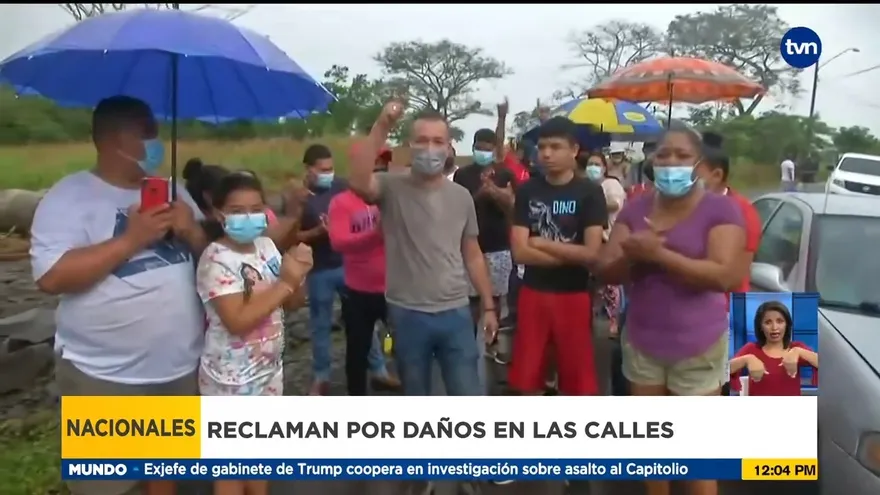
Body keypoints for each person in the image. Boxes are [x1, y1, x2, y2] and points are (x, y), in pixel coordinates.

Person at [29, 95, 207, 495]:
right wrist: (132, 240)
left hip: (177, 368)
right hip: (104, 376)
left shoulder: (173, 190)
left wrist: (193, 230)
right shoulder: (68, 197)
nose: (156, 139)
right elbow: (52, 277)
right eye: (146, 131)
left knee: (167, 470)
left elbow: (209, 261)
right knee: (108, 486)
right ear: (112, 139)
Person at [597, 124, 747, 495]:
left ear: (698, 163)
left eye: (681, 155)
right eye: (663, 154)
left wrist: (658, 254)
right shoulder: (635, 208)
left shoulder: (721, 209)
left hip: (699, 344)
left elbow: (724, 276)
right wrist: (632, 257)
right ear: (652, 161)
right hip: (644, 341)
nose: (671, 162)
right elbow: (605, 268)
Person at [349, 100, 498, 397]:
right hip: (407, 313)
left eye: (438, 141)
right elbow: (358, 180)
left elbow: (472, 253)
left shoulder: (461, 196)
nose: (430, 148)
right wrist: (382, 124)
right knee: (416, 392)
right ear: (410, 145)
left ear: (448, 147)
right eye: (422, 140)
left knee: (467, 391)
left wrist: (489, 305)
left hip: (456, 311)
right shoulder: (390, 187)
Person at [196, 172, 312, 495]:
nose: (248, 217)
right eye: (237, 210)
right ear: (219, 215)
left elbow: (292, 302)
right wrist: (286, 282)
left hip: (267, 374)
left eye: (255, 207)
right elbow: (237, 320)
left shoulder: (266, 247)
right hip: (230, 382)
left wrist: (298, 275)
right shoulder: (215, 259)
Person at [508, 116, 607, 398]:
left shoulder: (589, 191)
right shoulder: (528, 190)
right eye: (541, 147)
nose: (546, 154)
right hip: (533, 293)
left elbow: (592, 253)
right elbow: (519, 251)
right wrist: (571, 253)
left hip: (573, 295)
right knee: (527, 378)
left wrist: (541, 243)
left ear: (574, 149)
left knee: (577, 380)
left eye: (555, 146)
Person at [296, 144, 395, 395]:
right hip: (320, 269)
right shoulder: (298, 196)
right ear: (309, 170)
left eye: (331, 168)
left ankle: (379, 371)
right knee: (320, 325)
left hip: (350, 269)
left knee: (364, 327)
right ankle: (322, 377)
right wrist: (317, 233)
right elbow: (290, 235)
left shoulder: (343, 186)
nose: (329, 174)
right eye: (323, 170)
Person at [692, 132, 763, 396]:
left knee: (712, 386)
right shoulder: (681, 205)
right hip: (677, 312)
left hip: (719, 314)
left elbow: (734, 275)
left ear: (717, 175)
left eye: (694, 173)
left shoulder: (743, 213)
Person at [328, 149, 403, 396]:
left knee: (405, 349)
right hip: (358, 291)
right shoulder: (341, 202)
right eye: (374, 163)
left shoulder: (395, 197)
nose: (379, 168)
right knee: (357, 352)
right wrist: (374, 235)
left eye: (383, 164)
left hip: (395, 288)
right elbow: (338, 242)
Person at [453, 128, 515, 338]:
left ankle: (491, 340)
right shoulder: (462, 174)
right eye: (479, 148)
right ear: (473, 147)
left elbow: (510, 206)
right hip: (471, 245)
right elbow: (461, 205)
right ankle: (467, 339)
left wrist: (494, 190)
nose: (482, 152)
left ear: (494, 150)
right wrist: (481, 192)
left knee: (495, 298)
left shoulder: (504, 174)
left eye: (487, 149)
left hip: (498, 246)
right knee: (470, 300)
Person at [729, 301, 818, 396]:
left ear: (787, 325)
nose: (774, 327)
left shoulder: (796, 348)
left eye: (780, 321)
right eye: (768, 322)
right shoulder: (751, 349)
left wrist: (799, 352)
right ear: (760, 327)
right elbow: (722, 371)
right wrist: (746, 359)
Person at [583, 152, 626, 338]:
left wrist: (593, 203)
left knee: (610, 285)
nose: (593, 167)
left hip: (609, 237)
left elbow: (615, 205)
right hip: (592, 238)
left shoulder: (611, 184)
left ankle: (614, 321)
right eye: (590, 164)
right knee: (593, 282)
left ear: (604, 167)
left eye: (596, 164)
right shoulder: (587, 185)